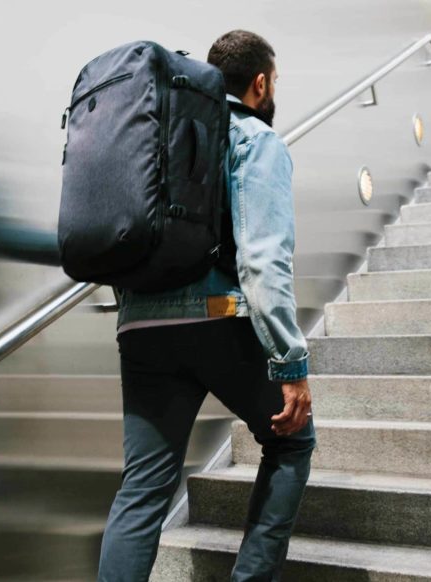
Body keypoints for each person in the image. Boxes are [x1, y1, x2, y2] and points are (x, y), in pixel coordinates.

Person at [96, 30, 316, 582]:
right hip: (217, 316)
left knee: (144, 487)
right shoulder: (253, 138)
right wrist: (291, 364)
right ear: (260, 82)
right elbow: (263, 262)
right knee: (291, 442)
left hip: (141, 326)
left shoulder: (159, 135)